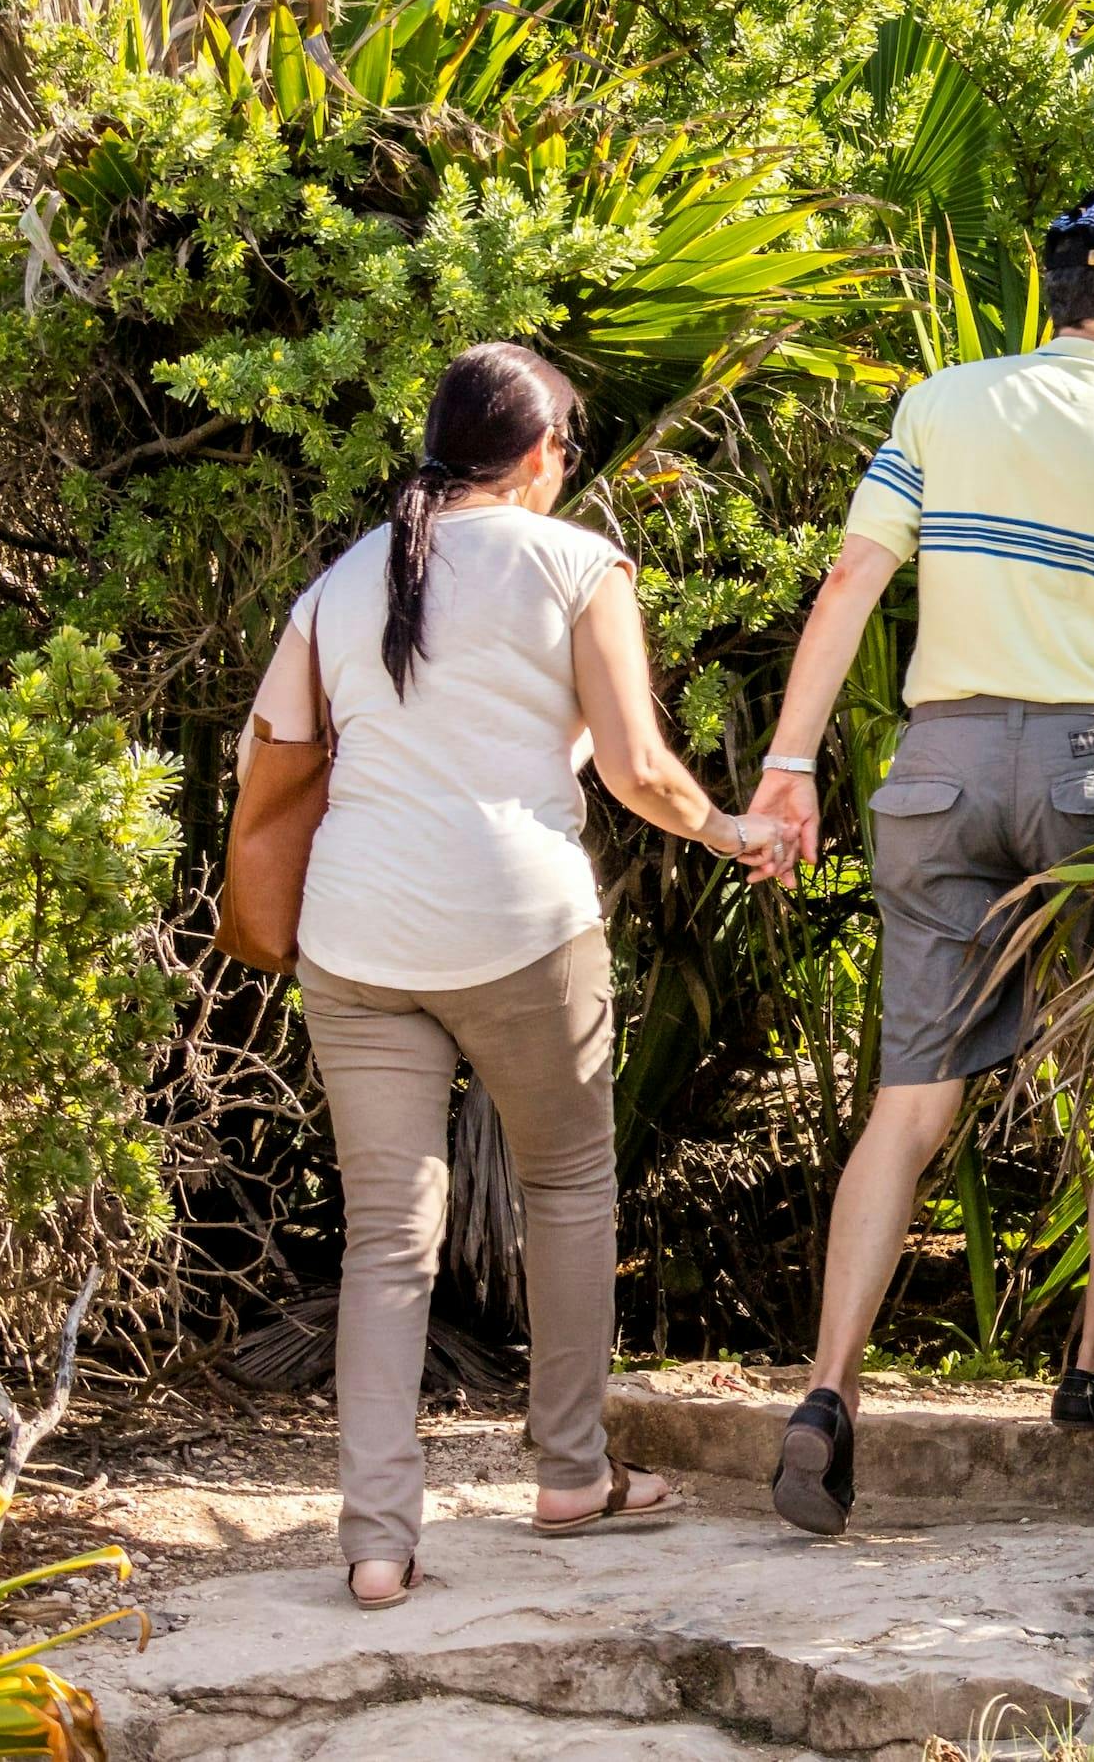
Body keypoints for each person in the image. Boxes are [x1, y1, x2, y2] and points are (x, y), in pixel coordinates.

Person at [737, 188, 1094, 1534]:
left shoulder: (945, 400)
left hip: (935, 768)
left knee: (911, 1100)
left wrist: (791, 763)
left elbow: (850, 583)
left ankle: (827, 1395)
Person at [241, 341, 798, 1609]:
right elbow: (639, 773)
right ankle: (568, 1472)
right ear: (544, 451)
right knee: (567, 1184)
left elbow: (269, 751)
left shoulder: (343, 579)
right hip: (519, 925)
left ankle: (376, 1544)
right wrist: (734, 830)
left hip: (355, 932)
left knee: (387, 1240)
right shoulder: (576, 563)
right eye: (570, 449)